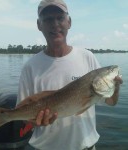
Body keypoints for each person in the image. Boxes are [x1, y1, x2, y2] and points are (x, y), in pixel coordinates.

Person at [17, 0, 123, 150]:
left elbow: (111, 102)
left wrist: (116, 87)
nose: (55, 24)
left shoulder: (88, 57)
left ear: (69, 22)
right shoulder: (30, 67)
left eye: (60, 18)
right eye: (48, 19)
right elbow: (22, 116)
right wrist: (34, 121)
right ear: (39, 25)